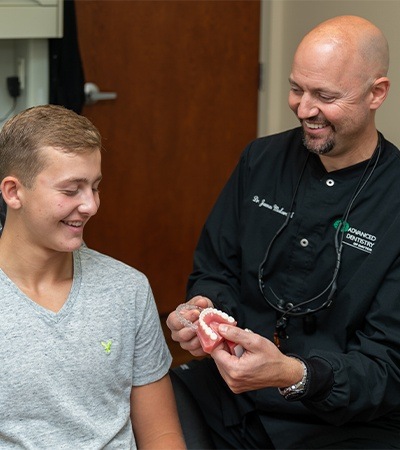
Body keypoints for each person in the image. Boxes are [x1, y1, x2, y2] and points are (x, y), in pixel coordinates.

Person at [166, 15, 400, 450]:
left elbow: (388, 367)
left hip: (343, 422)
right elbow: (215, 269)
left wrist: (296, 374)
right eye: (297, 89)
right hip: (232, 398)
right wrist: (202, 312)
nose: (304, 109)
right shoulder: (261, 160)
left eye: (325, 96)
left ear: (377, 94)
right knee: (143, 404)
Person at [0, 104, 186, 449]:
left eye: (95, 187)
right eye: (71, 191)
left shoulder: (127, 289)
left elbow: (161, 435)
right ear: (14, 192)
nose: (91, 206)